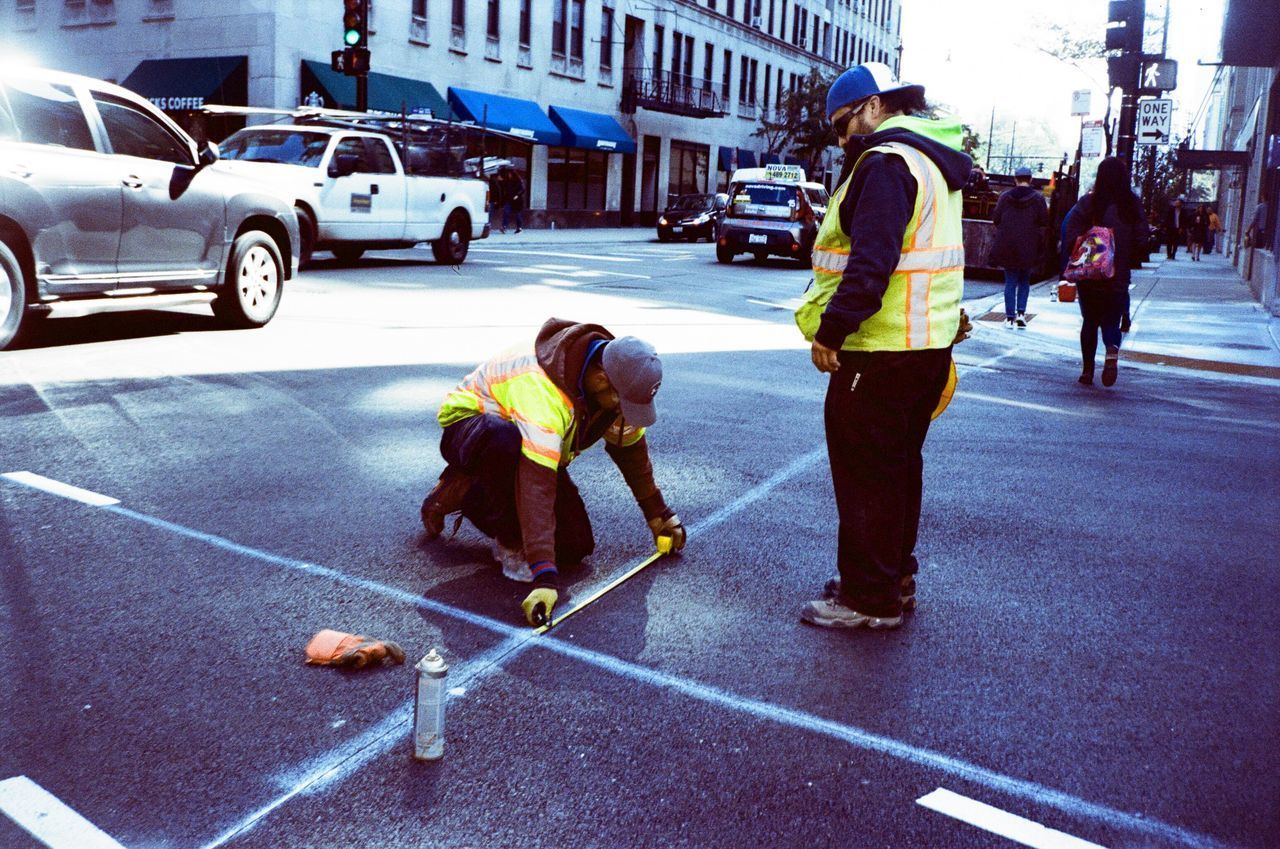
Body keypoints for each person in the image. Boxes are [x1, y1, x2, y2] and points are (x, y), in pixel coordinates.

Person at [794, 62, 970, 631]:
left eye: (844, 124)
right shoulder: (930, 162)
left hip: (880, 349)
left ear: (873, 106)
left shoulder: (886, 165)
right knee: (896, 467)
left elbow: (872, 263)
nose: (843, 139)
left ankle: (868, 599)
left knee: (864, 470)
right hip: (923, 349)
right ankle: (892, 576)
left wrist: (831, 331)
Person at [420, 318, 686, 625]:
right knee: (504, 441)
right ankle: (478, 501)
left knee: (575, 546)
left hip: (528, 446)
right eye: (622, 402)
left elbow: (630, 451)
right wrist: (544, 577)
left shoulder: (614, 380)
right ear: (600, 380)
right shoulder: (542, 391)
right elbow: (537, 486)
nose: (624, 410)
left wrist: (659, 514)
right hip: (473, 430)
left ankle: (472, 492)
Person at [1061, 157, 1145, 388]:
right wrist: (1127, 257)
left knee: (1089, 321)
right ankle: (1111, 351)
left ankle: (1087, 371)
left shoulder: (1090, 203)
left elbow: (1071, 232)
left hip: (1091, 271)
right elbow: (1142, 238)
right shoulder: (1132, 204)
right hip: (1118, 273)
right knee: (1111, 320)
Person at [988, 165, 1048, 328]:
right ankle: (1021, 314)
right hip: (1029, 244)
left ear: (1015, 179)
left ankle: (1009, 317)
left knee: (1010, 281)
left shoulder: (1005, 197)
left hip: (1008, 244)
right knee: (1024, 280)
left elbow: (996, 218)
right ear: (1030, 179)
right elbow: (1043, 221)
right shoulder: (1038, 198)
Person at [500, 167, 525, 234]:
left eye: (510, 174)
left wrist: (517, 195)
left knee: (517, 214)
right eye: (508, 174)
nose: (509, 175)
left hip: (516, 200)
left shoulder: (518, 181)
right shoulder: (507, 181)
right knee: (506, 212)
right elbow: (505, 189)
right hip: (509, 199)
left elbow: (522, 189)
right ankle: (504, 226)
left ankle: (519, 227)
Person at [489, 168, 507, 233]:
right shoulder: (494, 182)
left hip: (497, 201)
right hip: (494, 201)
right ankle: (490, 226)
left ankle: (501, 227)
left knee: (491, 213)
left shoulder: (498, 183)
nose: (500, 177)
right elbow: (495, 192)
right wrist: (496, 200)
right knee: (490, 213)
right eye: (499, 176)